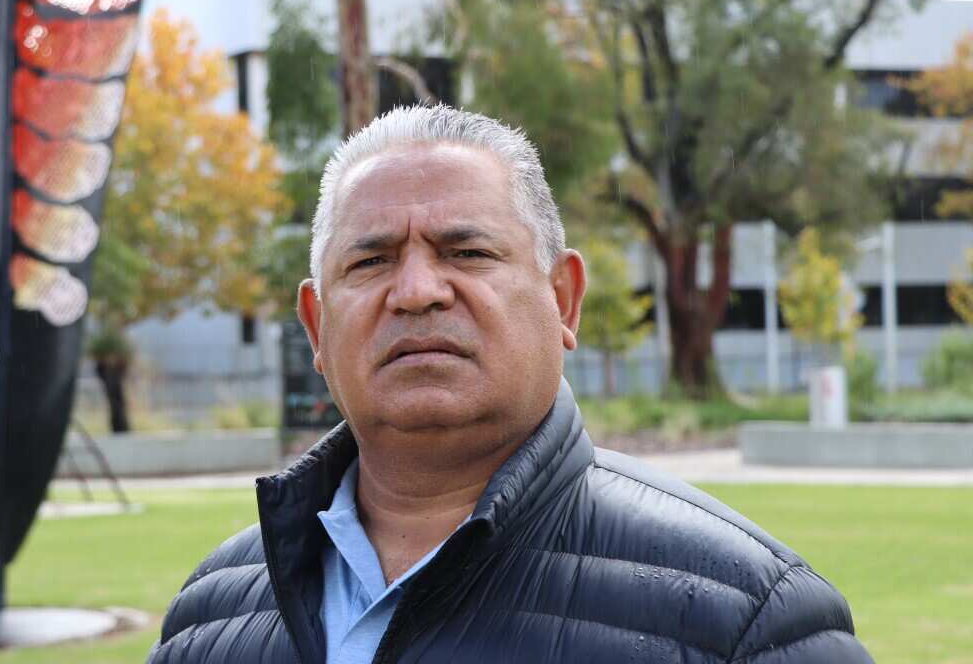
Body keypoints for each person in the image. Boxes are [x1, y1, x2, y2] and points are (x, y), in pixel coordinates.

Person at [147, 105, 872, 663]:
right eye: (370, 262)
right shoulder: (209, 618)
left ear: (563, 299)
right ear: (315, 326)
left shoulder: (745, 618)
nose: (418, 291)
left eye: (466, 250)